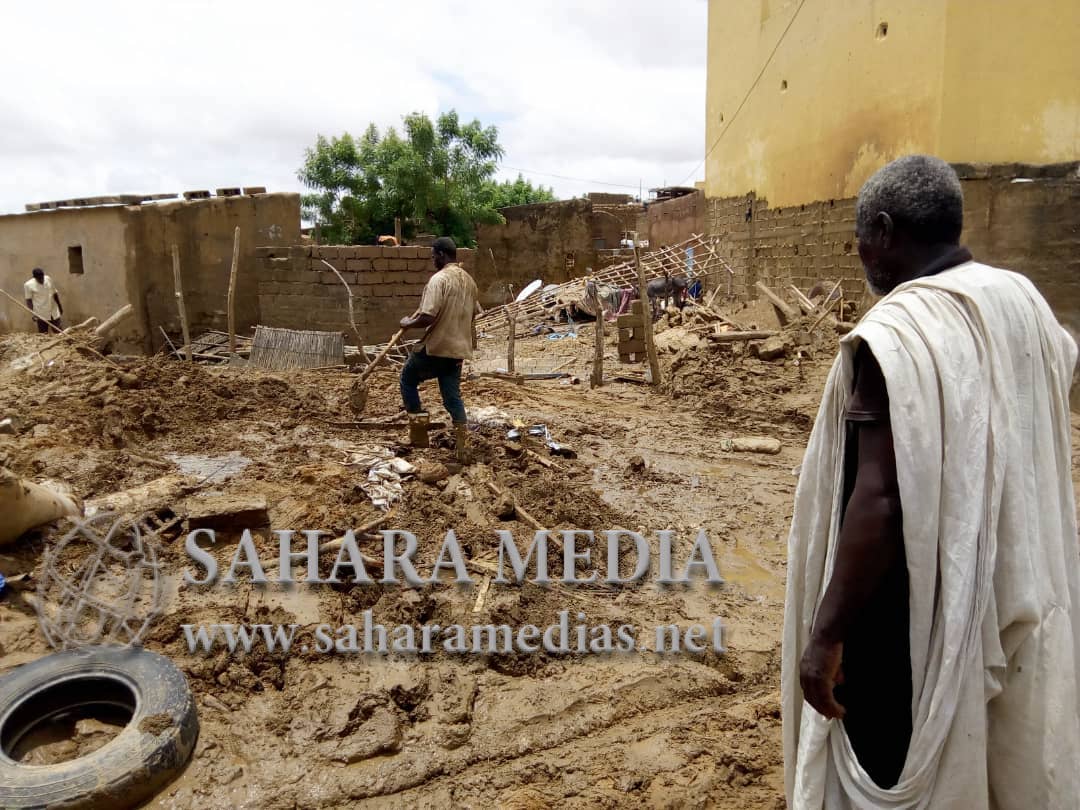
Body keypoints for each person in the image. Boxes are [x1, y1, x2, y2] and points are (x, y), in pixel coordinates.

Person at [783, 155, 1080, 808]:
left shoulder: (898, 334)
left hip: (907, 624)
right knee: (1001, 760)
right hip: (1014, 589)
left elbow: (880, 501)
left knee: (901, 767)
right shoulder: (1019, 300)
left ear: (884, 232)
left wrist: (825, 636)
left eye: (860, 237)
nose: (859, 253)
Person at [399, 237, 480, 462]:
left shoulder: (439, 279)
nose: (432, 259)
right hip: (458, 350)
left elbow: (427, 316)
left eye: (434, 255)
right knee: (452, 397)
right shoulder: (470, 282)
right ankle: (463, 444)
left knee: (407, 379)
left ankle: (418, 435)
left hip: (436, 347)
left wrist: (407, 323)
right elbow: (474, 314)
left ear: (442, 255)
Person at [23, 267, 63, 333]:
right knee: (43, 334)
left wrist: (60, 306)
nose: (42, 280)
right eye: (39, 279)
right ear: (35, 277)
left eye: (42, 277)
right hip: (41, 313)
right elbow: (28, 300)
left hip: (54, 311)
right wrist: (33, 314)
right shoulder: (28, 285)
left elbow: (55, 293)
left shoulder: (48, 279)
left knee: (59, 332)